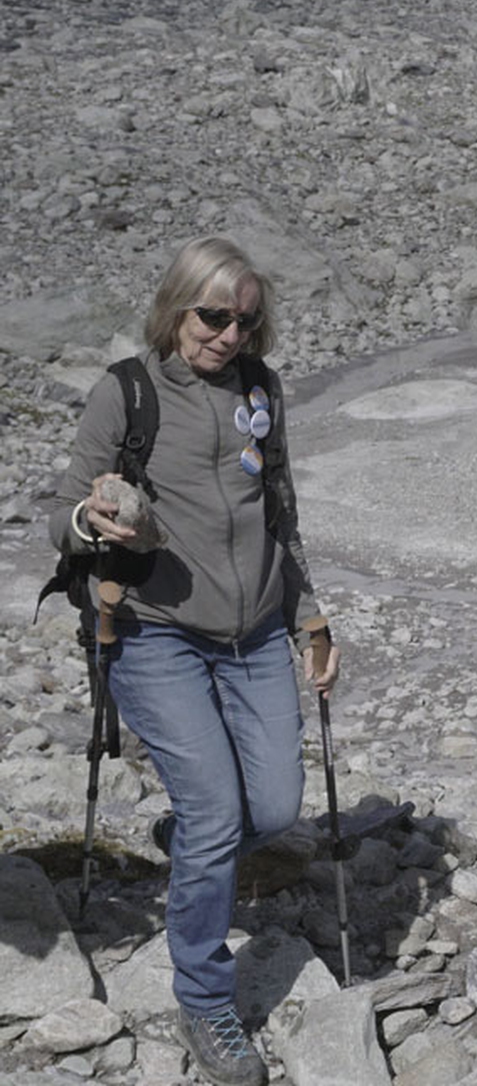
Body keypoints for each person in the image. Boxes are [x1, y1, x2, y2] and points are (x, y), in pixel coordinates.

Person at [50, 235, 339, 1086]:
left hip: (253, 632)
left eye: (245, 321)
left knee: (277, 807)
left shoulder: (262, 390)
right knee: (218, 809)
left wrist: (311, 616)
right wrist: (93, 526)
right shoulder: (127, 393)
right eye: (214, 316)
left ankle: (189, 844)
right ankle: (206, 1000)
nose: (229, 335)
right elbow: (56, 511)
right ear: (177, 306)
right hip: (152, 629)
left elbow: (279, 514)